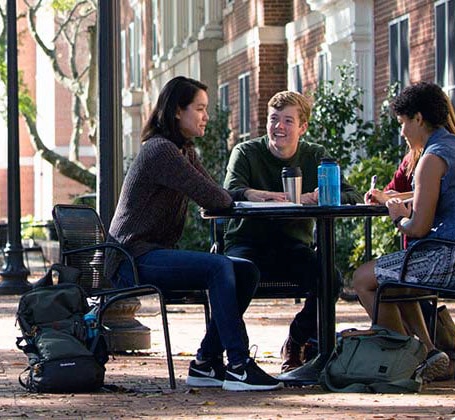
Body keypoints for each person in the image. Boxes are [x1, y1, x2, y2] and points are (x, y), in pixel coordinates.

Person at [106, 76, 281, 392]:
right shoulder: (161, 151)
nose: (206, 116)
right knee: (220, 266)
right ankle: (239, 365)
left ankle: (205, 362)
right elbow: (215, 198)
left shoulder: (182, 151)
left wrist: (249, 194)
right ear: (177, 111)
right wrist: (240, 196)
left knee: (247, 271)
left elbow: (217, 192)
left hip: (150, 254)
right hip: (130, 259)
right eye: (199, 108)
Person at [352, 81, 455, 382]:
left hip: (450, 259)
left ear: (418, 118)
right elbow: (430, 195)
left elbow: (418, 227)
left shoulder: (431, 158)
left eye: (402, 123)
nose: (402, 131)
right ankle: (428, 355)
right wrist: (391, 199)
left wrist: (399, 219)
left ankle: (407, 360)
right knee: (397, 283)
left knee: (363, 279)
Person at [220, 91, 359, 375]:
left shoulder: (316, 155)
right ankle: (237, 358)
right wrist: (261, 195)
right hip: (247, 243)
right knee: (231, 276)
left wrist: (324, 194)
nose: (278, 127)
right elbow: (227, 194)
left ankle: (299, 339)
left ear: (302, 127)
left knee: (330, 278)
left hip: (293, 246)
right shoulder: (246, 153)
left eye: (287, 121)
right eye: (273, 120)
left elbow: (351, 194)